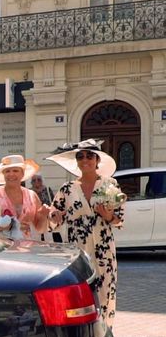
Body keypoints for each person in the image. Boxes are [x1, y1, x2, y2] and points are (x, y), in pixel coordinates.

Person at [46, 139, 124, 327]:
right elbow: (52, 221)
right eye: (80, 156)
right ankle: (83, 333)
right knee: (81, 293)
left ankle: (105, 331)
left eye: (90, 155)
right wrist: (55, 216)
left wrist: (107, 216)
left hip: (104, 250)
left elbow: (120, 219)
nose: (85, 160)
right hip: (78, 250)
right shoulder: (67, 189)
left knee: (105, 292)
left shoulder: (110, 185)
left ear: (98, 160)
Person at [0, 154, 50, 239]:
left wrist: (43, 216)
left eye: (15, 171)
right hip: (1, 248)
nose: (11, 174)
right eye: (7, 171)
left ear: (22, 173)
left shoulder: (32, 196)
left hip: (28, 249)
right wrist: (3, 226)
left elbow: (40, 229)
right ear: (3, 174)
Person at [30, 174, 63, 243]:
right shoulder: (29, 192)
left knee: (50, 240)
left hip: (48, 218)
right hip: (35, 220)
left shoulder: (47, 190)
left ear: (42, 181)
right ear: (31, 182)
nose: (36, 181)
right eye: (34, 180)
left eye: (39, 179)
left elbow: (53, 203)